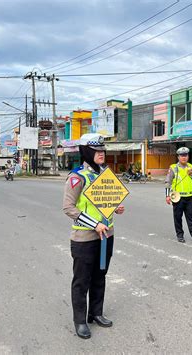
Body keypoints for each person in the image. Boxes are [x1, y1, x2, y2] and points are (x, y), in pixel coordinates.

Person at [62, 133, 125, 339]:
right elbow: (68, 208)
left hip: (106, 235)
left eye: (103, 150)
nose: (101, 154)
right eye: (97, 151)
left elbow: (106, 201)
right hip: (85, 239)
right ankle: (80, 321)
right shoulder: (77, 177)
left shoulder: (105, 173)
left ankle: (96, 313)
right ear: (86, 152)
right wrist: (94, 224)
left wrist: (116, 207)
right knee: (82, 281)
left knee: (100, 276)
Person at [165, 147, 192, 243]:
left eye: (186, 155)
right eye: (182, 156)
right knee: (177, 217)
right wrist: (167, 196)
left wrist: (191, 175)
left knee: (191, 217)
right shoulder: (173, 168)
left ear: (188, 156)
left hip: (189, 197)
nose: (184, 157)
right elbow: (168, 182)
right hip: (177, 197)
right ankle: (180, 235)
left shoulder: (191, 167)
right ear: (178, 157)